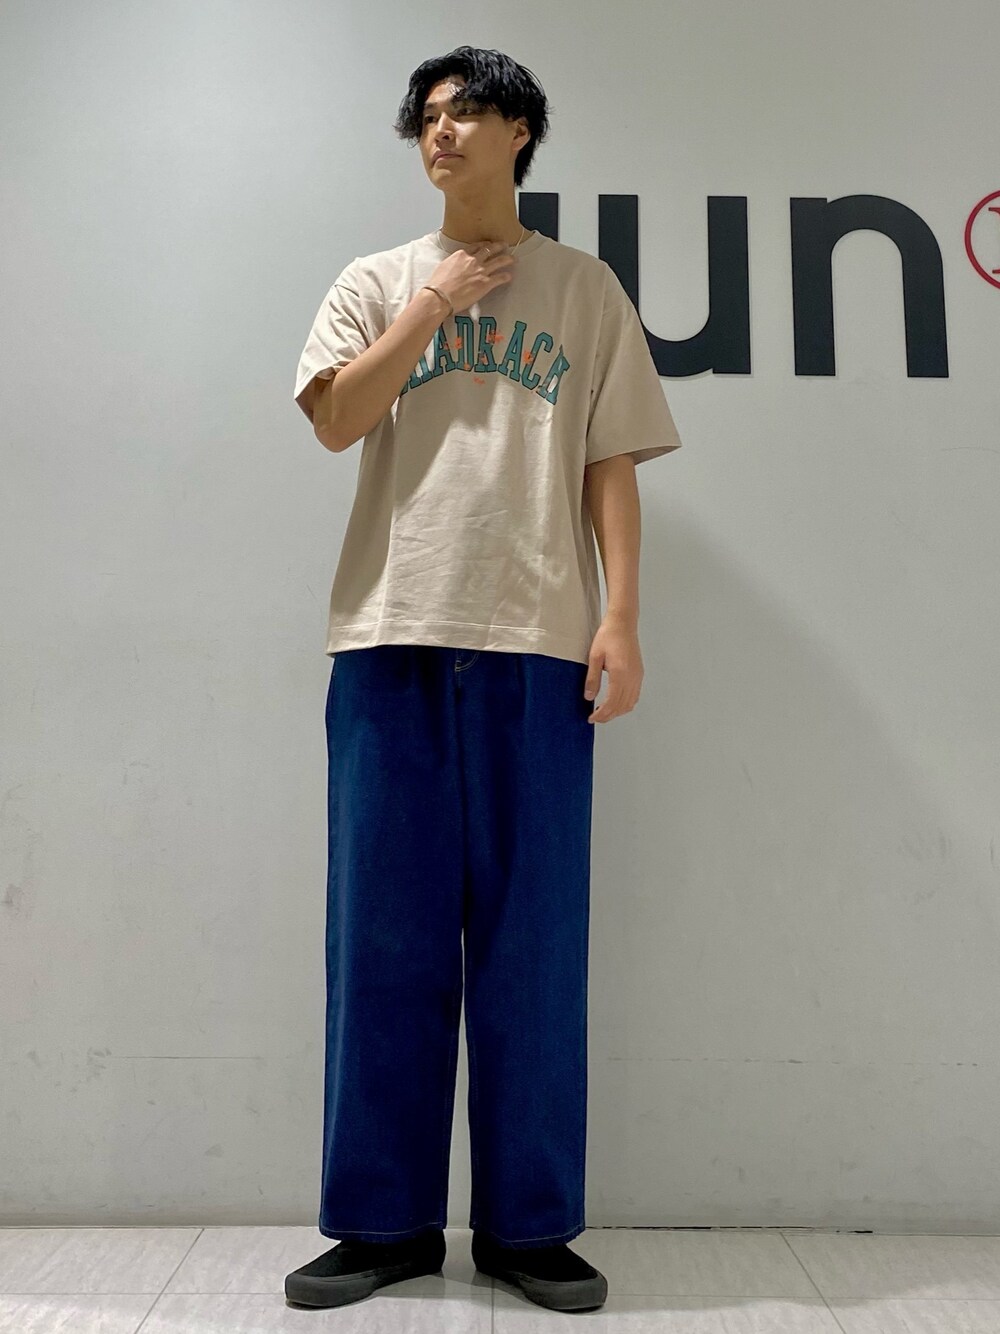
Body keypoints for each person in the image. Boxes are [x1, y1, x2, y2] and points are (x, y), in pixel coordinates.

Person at [284, 46, 682, 1315]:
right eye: (427, 118)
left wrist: (621, 617)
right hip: (390, 637)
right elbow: (335, 419)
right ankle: (383, 1221)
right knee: (382, 943)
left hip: (537, 647)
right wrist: (433, 304)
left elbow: (611, 461)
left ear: (521, 133)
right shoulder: (374, 280)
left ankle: (528, 1226)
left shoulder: (583, 288)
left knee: (532, 947)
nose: (441, 133)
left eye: (466, 113)